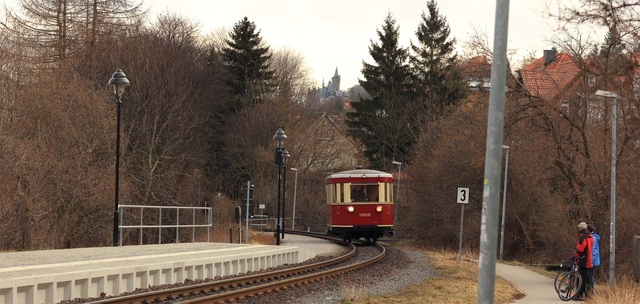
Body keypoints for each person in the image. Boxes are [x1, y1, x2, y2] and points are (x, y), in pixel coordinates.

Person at [574, 221, 593, 299]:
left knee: (581, 277)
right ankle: (587, 293)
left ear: (580, 228)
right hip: (588, 258)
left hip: (583, 259)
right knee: (586, 277)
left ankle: (581, 294)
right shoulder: (590, 236)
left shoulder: (582, 236)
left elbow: (580, 248)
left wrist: (576, 254)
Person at [587, 224, 600, 293]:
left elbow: (593, 251)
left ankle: (591, 291)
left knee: (590, 275)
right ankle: (590, 290)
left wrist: (591, 261)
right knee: (590, 274)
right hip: (593, 260)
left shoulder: (593, 238)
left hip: (592, 261)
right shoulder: (593, 237)